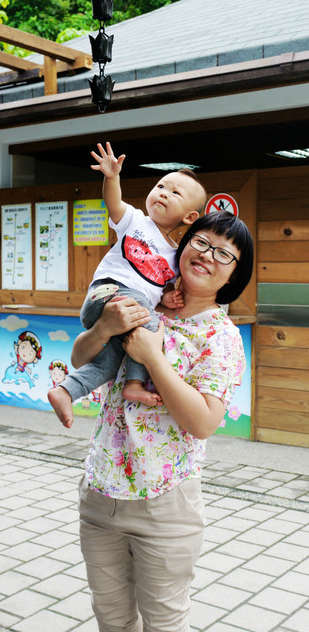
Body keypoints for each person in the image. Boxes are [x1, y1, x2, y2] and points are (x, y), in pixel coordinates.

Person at [58, 211, 254, 632]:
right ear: (182, 246)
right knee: (112, 616)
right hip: (101, 490)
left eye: (225, 254)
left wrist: (152, 357)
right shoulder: (145, 300)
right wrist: (105, 327)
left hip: (165, 504)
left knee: (166, 627)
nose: (208, 256)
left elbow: (203, 422)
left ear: (233, 276)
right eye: (201, 243)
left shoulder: (221, 337)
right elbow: (81, 355)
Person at [48, 142, 207, 423]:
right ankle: (134, 384)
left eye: (175, 193)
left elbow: (157, 289)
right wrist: (112, 178)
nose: (163, 193)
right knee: (153, 327)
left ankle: (66, 391)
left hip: (122, 313)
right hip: (107, 293)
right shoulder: (136, 221)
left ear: (189, 217)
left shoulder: (174, 257)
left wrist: (166, 298)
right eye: (160, 186)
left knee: (109, 361)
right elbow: (113, 203)